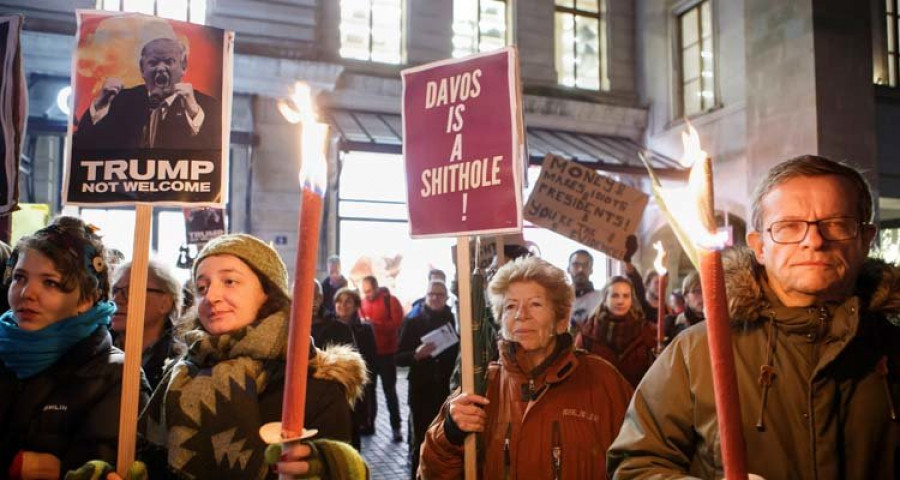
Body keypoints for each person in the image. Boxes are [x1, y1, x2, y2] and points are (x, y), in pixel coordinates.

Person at [608, 155, 900, 479]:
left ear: (865, 239)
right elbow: (635, 465)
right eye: (789, 227)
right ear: (759, 247)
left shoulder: (892, 344)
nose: (814, 241)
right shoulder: (698, 351)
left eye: (836, 224)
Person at [140, 234, 368, 478]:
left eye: (229, 281)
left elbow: (338, 463)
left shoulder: (313, 384)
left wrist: (328, 467)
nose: (211, 296)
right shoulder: (180, 374)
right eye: (202, 287)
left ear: (269, 292)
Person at [420, 257, 634, 479]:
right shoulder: (481, 386)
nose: (521, 314)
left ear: (561, 319)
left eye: (535, 304)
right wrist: (450, 434)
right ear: (501, 320)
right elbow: (430, 472)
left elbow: (637, 459)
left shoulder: (603, 381)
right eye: (510, 306)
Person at [0, 217, 147, 477]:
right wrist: (20, 464)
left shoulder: (117, 376)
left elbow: (93, 467)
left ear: (87, 299)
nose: (26, 293)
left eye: (50, 282)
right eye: (20, 278)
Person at [75, 37, 220, 150]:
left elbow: (214, 150)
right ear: (142, 68)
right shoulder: (120, 102)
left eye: (169, 62)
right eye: (153, 63)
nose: (161, 68)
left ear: (183, 66)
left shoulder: (206, 105)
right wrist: (100, 104)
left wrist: (194, 113)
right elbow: (82, 144)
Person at [396, 280, 458, 479]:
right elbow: (397, 358)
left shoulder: (453, 318)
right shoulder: (412, 322)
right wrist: (415, 354)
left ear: (446, 298)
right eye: (431, 294)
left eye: (439, 295)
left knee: (443, 443)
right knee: (420, 441)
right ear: (425, 296)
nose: (435, 298)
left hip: (445, 392)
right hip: (421, 392)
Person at [110, 258, 183, 391]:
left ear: (165, 303)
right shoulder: (92, 351)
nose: (116, 299)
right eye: (115, 290)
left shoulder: (181, 364)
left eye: (130, 291)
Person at [575, 275, 657, 387]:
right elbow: (579, 374)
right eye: (615, 296)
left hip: (635, 398)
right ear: (605, 300)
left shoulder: (646, 331)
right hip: (600, 396)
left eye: (626, 296)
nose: (620, 301)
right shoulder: (588, 334)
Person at [359, 275, 404, 442]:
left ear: (376, 287)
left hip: (387, 354)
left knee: (390, 391)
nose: (367, 295)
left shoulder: (390, 301)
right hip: (370, 355)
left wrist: (375, 325)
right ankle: (370, 424)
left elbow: (397, 323)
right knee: (369, 392)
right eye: (365, 292)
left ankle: (396, 428)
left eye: (369, 291)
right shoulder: (362, 303)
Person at [331, 287, 378, 448]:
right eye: (339, 301)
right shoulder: (328, 328)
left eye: (348, 301)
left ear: (356, 305)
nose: (343, 305)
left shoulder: (364, 330)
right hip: (334, 390)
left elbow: (371, 363)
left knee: (353, 439)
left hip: (356, 390)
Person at [311, 279, 354, 349]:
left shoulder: (339, 329)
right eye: (307, 297)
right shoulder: (288, 330)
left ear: (322, 298)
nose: (313, 302)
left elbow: (352, 358)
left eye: (317, 297)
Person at [567, 249, 603, 332]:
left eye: (586, 265)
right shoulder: (557, 299)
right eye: (576, 265)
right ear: (568, 269)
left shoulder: (602, 299)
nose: (580, 269)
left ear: (591, 270)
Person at [663, 271, 704, 342]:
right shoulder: (674, 325)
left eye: (706, 291)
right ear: (686, 296)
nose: (703, 296)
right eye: (697, 291)